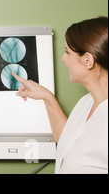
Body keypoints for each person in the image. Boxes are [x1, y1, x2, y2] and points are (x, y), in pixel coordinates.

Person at [13, 16, 108, 174]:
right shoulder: (87, 102)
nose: (63, 58)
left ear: (87, 61)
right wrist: (47, 97)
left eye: (67, 52)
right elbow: (69, 142)